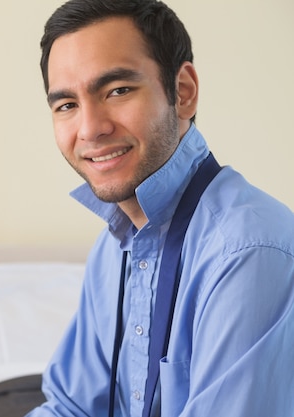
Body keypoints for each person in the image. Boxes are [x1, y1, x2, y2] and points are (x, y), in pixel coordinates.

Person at [26, 1, 294, 416]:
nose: (90, 127)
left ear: (182, 91)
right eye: (67, 105)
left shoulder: (249, 252)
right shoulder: (112, 248)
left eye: (117, 90)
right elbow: (71, 408)